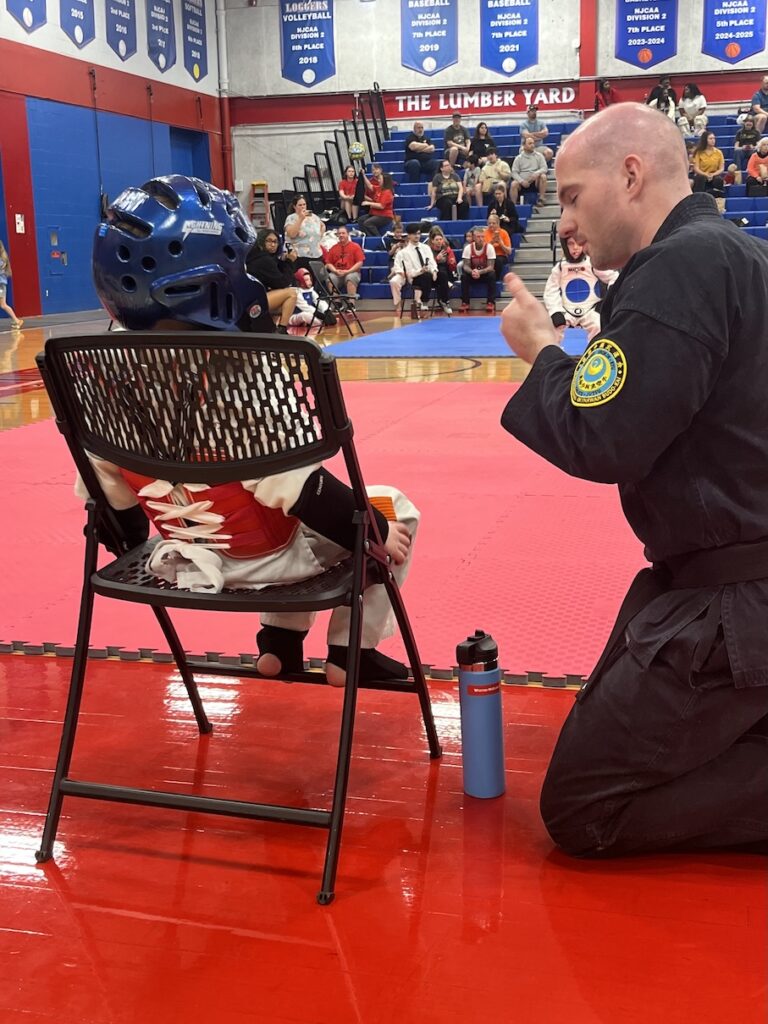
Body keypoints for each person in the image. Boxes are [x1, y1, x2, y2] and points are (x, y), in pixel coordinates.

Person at [498, 102, 768, 859]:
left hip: (738, 604)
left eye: (574, 196)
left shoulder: (680, 267)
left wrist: (543, 353)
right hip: (727, 576)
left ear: (631, 174)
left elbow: (604, 436)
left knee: (584, 805)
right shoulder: (733, 256)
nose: (567, 222)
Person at [88, 173, 417, 689]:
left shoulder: (98, 381)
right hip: (263, 564)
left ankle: (279, 650)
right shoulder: (249, 374)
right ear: (209, 279)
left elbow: (119, 525)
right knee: (391, 509)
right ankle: (351, 654)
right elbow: (306, 494)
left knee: (291, 517)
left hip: (174, 565)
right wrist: (377, 534)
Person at [543, 236, 617, 342]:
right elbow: (550, 291)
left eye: (579, 243)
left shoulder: (592, 263)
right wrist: (556, 311)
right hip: (568, 311)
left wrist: (606, 302)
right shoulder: (560, 268)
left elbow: (614, 278)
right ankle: (556, 356)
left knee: (599, 325)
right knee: (552, 330)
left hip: (590, 310)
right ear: (565, 246)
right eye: (571, 244)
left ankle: (594, 354)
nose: (575, 248)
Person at [388, 221, 438, 319]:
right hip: (414, 276)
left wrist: (434, 271)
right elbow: (401, 268)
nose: (417, 236)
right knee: (395, 281)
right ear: (409, 236)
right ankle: (422, 303)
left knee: (442, 274)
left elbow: (432, 262)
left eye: (419, 233)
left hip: (426, 274)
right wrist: (401, 272)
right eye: (414, 234)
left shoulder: (426, 248)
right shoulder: (403, 252)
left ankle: (445, 302)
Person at [322, 224, 365, 304]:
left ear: (348, 234)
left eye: (343, 233)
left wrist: (348, 271)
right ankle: (337, 303)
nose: (341, 235)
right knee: (330, 278)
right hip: (337, 272)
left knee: (350, 277)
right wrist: (335, 271)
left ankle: (351, 304)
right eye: (339, 233)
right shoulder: (334, 248)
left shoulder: (355, 247)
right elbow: (328, 263)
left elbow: (360, 262)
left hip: (352, 271)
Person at [459, 227, 497, 314]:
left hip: (484, 273)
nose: (481, 239)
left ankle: (490, 302)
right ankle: (465, 302)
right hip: (472, 273)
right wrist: (472, 272)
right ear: (474, 238)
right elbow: (465, 266)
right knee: (464, 276)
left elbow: (491, 266)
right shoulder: (468, 248)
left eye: (482, 237)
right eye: (478, 237)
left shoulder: (489, 247)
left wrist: (480, 272)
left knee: (492, 274)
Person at [283, 195, 325, 269]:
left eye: (304, 204)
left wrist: (319, 235)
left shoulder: (313, 216)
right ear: (294, 206)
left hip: (316, 254)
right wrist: (301, 218)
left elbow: (323, 225)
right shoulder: (291, 218)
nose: (303, 207)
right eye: (300, 205)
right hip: (300, 255)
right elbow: (291, 234)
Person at [510, 136, 548, 208]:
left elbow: (544, 168)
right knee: (513, 184)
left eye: (533, 143)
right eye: (530, 143)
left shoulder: (539, 156)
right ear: (524, 146)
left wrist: (537, 173)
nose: (532, 145)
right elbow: (514, 172)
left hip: (535, 181)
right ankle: (513, 205)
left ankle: (541, 199)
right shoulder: (518, 158)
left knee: (543, 176)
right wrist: (521, 181)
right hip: (522, 183)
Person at [427, 226, 457, 316]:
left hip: (446, 273)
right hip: (432, 275)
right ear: (432, 241)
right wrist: (437, 259)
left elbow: (452, 268)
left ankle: (444, 299)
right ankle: (445, 301)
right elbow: (427, 265)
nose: (439, 241)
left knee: (443, 271)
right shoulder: (427, 250)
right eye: (437, 240)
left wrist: (452, 263)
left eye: (441, 239)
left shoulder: (447, 249)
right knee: (440, 271)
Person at [357, 172, 395, 236]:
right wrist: (363, 175)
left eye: (380, 179)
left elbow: (381, 206)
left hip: (384, 216)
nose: (378, 180)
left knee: (368, 223)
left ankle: (377, 239)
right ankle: (367, 236)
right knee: (361, 220)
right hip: (375, 213)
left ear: (385, 181)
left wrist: (368, 203)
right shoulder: (379, 188)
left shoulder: (387, 192)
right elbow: (370, 186)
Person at [691, 131, 725, 195]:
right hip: (702, 174)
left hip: (714, 174)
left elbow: (721, 168)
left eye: (714, 138)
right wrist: (705, 174)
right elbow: (696, 168)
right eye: (710, 139)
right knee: (701, 178)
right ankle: (699, 197)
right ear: (705, 140)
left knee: (718, 180)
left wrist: (713, 174)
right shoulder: (699, 152)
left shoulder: (719, 152)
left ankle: (719, 199)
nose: (713, 140)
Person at [0, 240, 22, 330]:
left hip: (0, 285)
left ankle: (16, 320)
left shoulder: (2, 259)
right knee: (3, 304)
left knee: (3, 305)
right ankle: (16, 320)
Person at [483, 212, 512, 280]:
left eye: (493, 223)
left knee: (497, 260)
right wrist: (492, 242)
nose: (491, 225)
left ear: (498, 224)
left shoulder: (504, 233)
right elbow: (483, 249)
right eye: (489, 223)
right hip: (488, 256)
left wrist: (501, 243)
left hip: (500, 256)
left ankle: (496, 279)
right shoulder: (484, 233)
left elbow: (509, 252)